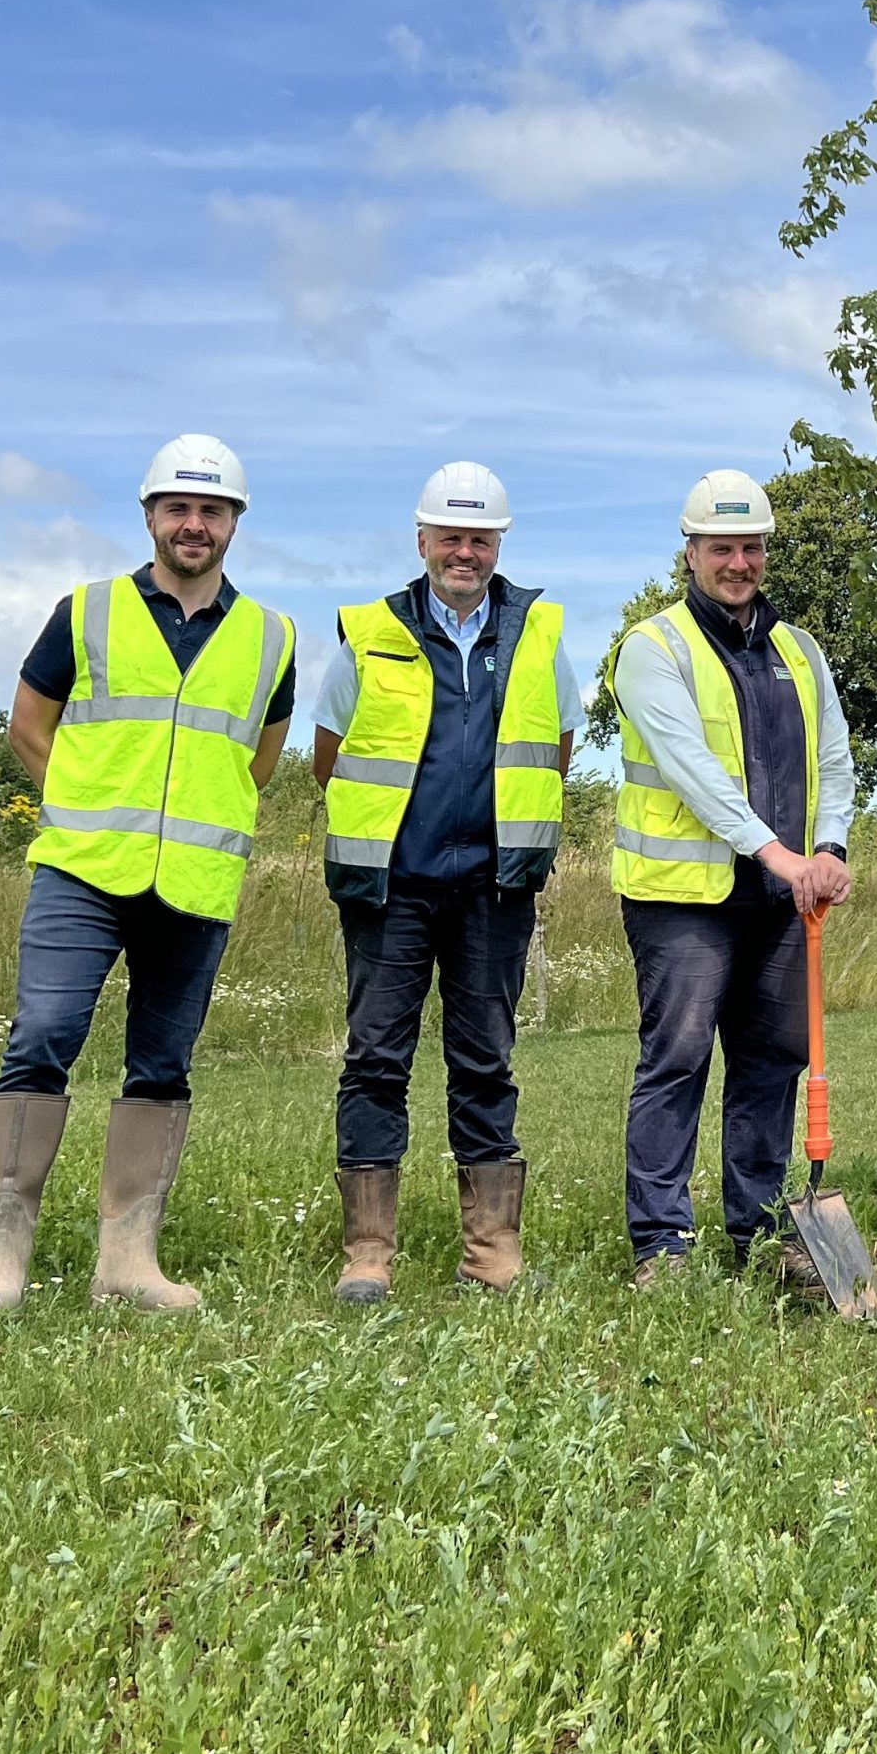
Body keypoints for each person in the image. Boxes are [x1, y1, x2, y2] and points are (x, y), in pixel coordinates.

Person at [0, 436, 296, 1326]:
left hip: (194, 883)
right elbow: (31, 724)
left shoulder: (273, 637)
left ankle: (129, 1259)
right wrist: (87, 804)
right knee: (43, 1036)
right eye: (178, 507)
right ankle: (0, 1255)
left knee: (163, 1064)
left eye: (212, 510)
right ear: (149, 516)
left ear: (234, 523)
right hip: (81, 871)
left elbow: (257, 760)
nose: (194, 523)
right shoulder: (87, 611)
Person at [313, 463, 580, 1300]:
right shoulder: (368, 632)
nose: (465, 551)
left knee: (485, 1061)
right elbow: (331, 757)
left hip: (496, 887)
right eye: (451, 536)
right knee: (375, 1060)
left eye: (481, 537)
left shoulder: (536, 634)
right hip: (390, 889)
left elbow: (556, 752)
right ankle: (368, 1252)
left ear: (499, 544)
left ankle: (492, 1252)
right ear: (421, 539)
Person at [607, 469, 855, 1284]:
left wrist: (831, 850)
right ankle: (662, 1242)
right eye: (723, 547)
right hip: (682, 899)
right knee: (677, 1058)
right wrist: (778, 853)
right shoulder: (654, 648)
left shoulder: (799, 649)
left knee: (771, 1061)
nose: (739, 562)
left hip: (781, 901)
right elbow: (693, 772)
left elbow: (834, 758)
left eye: (751, 547)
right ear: (691, 552)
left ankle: (756, 1231)